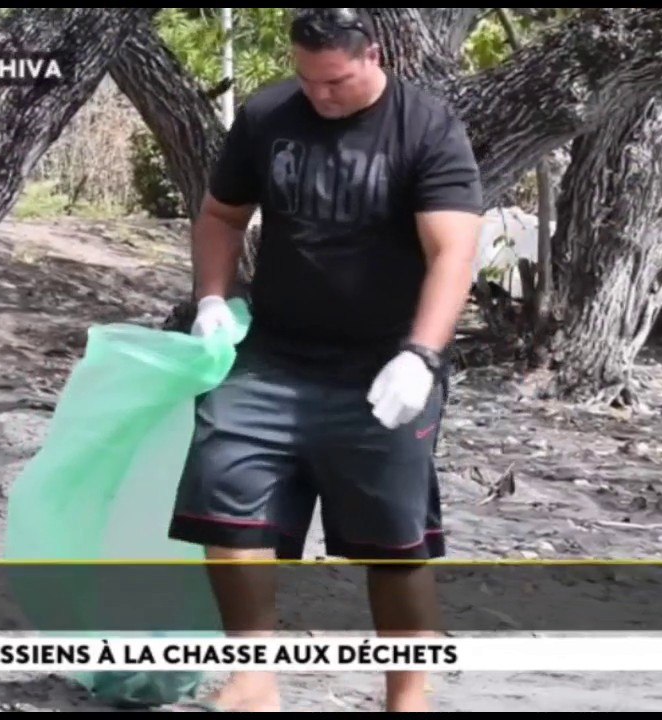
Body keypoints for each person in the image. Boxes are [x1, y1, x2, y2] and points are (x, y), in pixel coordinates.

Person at [167, 7, 484, 713]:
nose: (319, 94)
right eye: (306, 79)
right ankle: (253, 677)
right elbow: (221, 215)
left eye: (335, 81)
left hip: (383, 366)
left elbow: (453, 251)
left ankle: (407, 698)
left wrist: (420, 356)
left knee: (394, 544)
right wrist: (212, 297)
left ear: (374, 56)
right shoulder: (268, 115)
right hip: (273, 356)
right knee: (225, 502)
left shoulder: (426, 128)